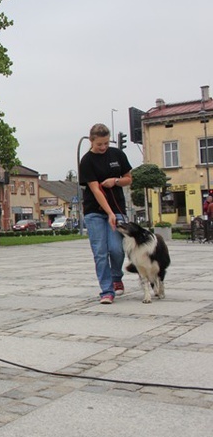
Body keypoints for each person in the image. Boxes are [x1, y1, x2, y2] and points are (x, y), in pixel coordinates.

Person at [79, 123, 133, 304]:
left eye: (106, 144)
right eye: (99, 144)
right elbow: (95, 190)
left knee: (116, 249)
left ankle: (116, 277)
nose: (103, 148)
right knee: (100, 252)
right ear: (91, 141)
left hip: (117, 209)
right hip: (95, 211)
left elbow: (128, 179)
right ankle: (107, 290)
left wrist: (116, 181)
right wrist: (109, 213)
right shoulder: (87, 160)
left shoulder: (118, 155)